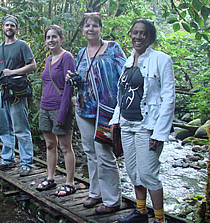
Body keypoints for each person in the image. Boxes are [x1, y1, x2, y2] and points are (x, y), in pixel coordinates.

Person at [109, 19, 175, 223]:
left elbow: (169, 97)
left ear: (150, 37)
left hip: (148, 126)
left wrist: (160, 132)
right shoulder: (129, 61)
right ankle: (140, 212)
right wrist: (115, 119)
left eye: (143, 33)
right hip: (127, 125)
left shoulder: (162, 60)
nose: (138, 37)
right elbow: (123, 93)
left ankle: (160, 219)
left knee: (148, 174)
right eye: (135, 33)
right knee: (133, 171)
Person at [66, 13, 126, 214]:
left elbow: (125, 77)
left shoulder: (113, 48)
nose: (90, 29)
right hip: (84, 109)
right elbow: (82, 78)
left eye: (94, 26)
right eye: (86, 26)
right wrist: (72, 78)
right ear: (82, 30)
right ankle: (95, 193)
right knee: (90, 153)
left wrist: (121, 110)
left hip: (107, 111)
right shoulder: (82, 52)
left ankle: (112, 200)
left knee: (104, 153)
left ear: (101, 28)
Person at [0, 15, 36, 177]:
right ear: (2, 28)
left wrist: (13, 72)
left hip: (17, 93)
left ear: (16, 28)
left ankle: (26, 162)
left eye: (12, 25)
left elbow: (33, 66)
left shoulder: (22, 46)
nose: (9, 28)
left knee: (21, 128)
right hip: (1, 92)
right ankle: (8, 159)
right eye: (6, 25)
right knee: (4, 127)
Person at [35, 25, 76, 196]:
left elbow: (69, 88)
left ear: (61, 38)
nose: (51, 40)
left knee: (65, 146)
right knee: (50, 144)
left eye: (54, 37)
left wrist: (63, 112)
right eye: (48, 37)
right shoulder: (48, 59)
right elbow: (46, 85)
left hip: (60, 107)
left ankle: (70, 183)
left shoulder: (67, 57)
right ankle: (50, 178)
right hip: (45, 107)